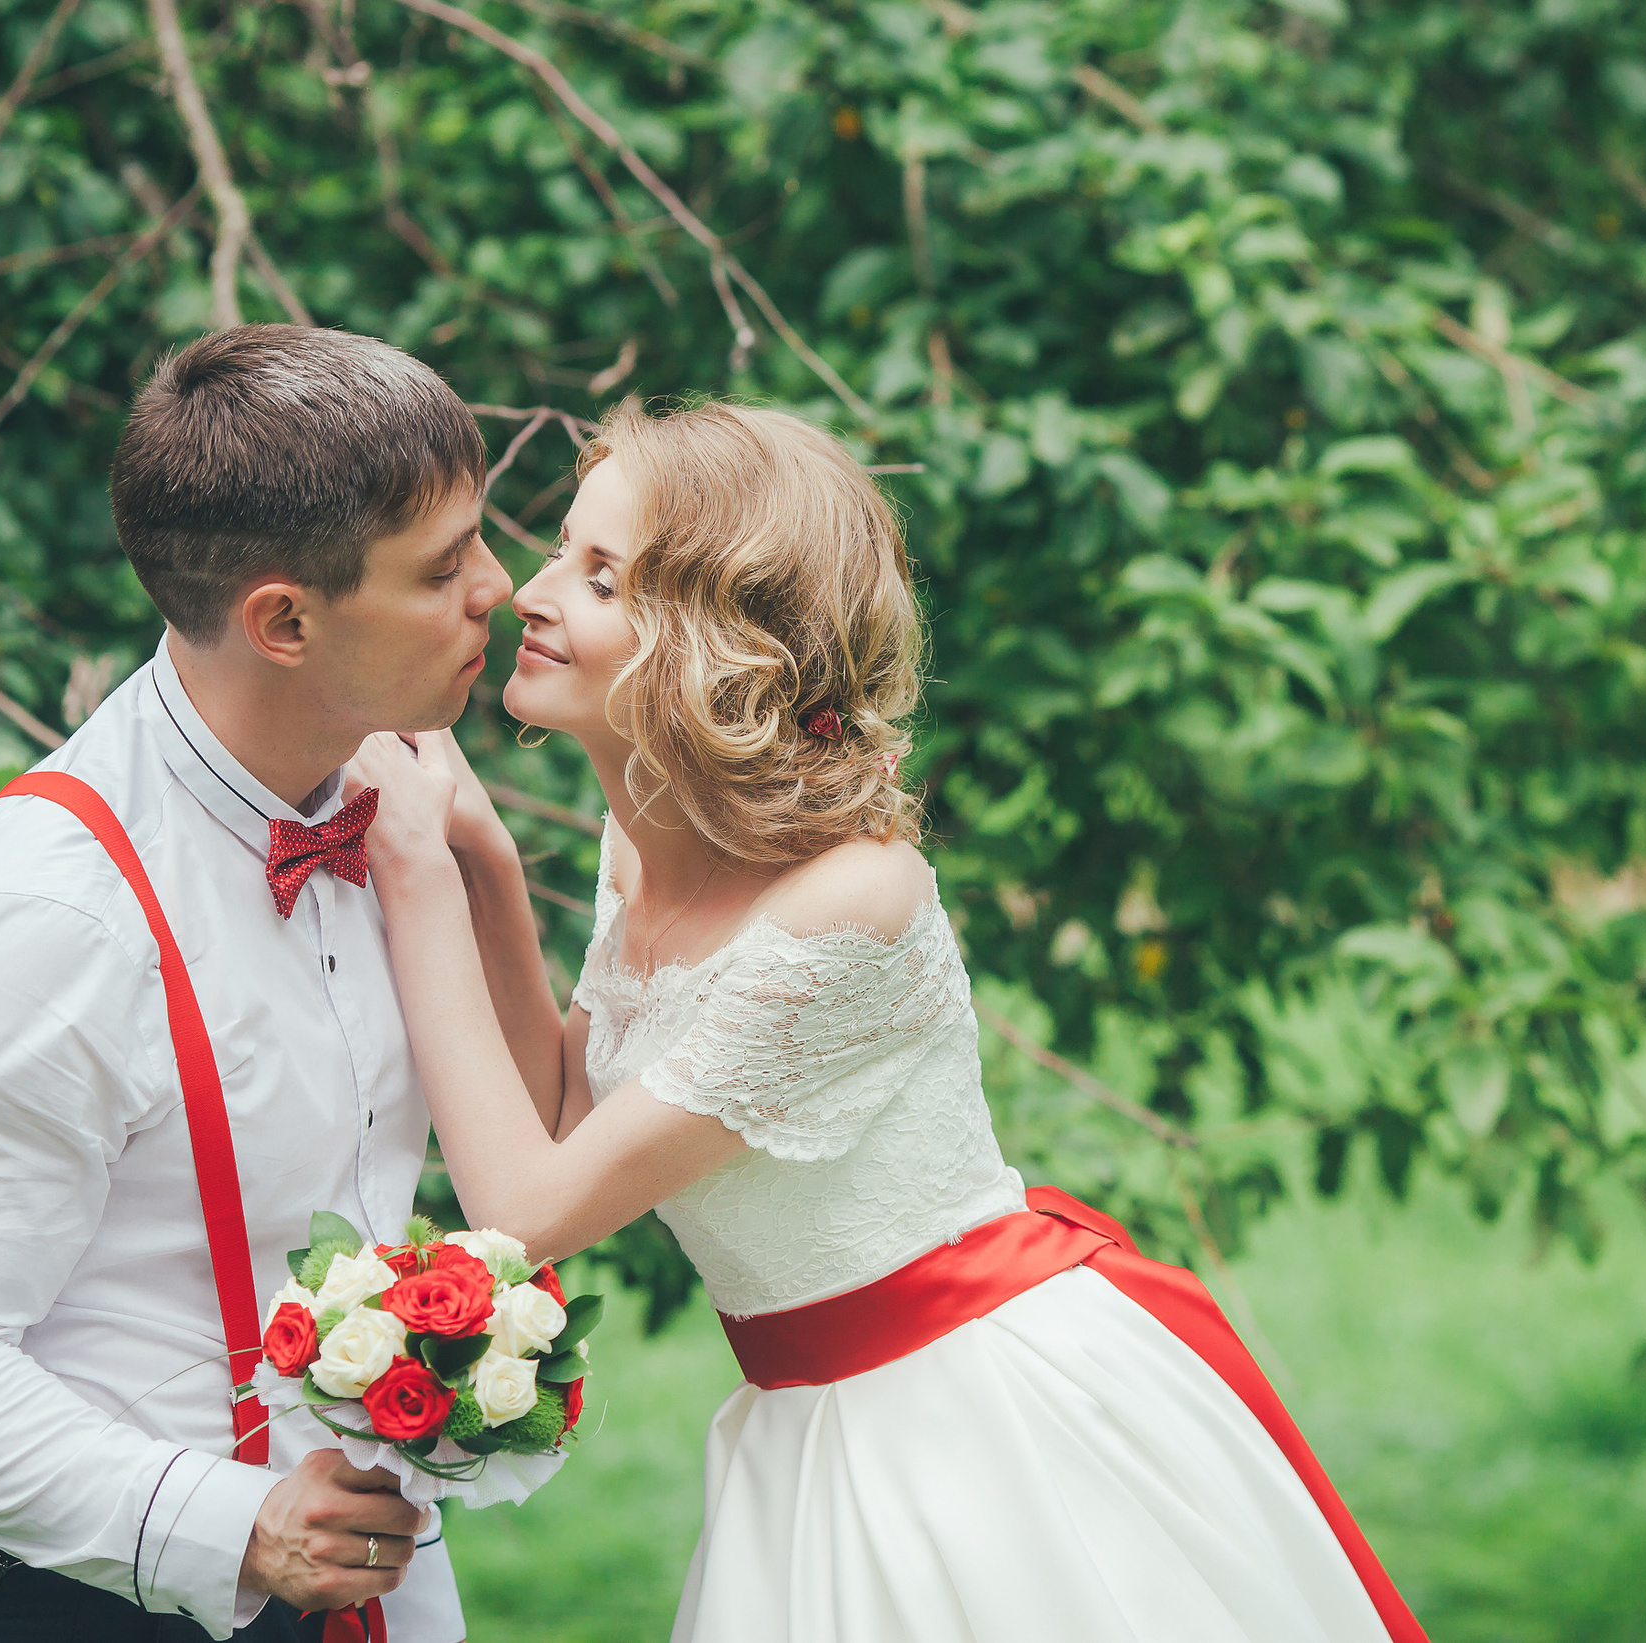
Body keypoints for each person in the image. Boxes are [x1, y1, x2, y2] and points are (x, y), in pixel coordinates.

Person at [347, 400, 1429, 1642]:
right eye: (560, 553)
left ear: (716, 641)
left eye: (601, 576)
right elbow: (559, 1111)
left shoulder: (847, 909)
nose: (526, 593)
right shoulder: (637, 851)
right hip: (804, 1417)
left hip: (970, 1420)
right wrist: (482, 860)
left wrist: (415, 874)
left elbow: (523, 1215)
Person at [0, 325, 538, 1640]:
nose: (501, 585)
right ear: (282, 619)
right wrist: (235, 1524)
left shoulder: (392, 806)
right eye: (445, 567)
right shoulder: (43, 913)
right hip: (65, 1602)